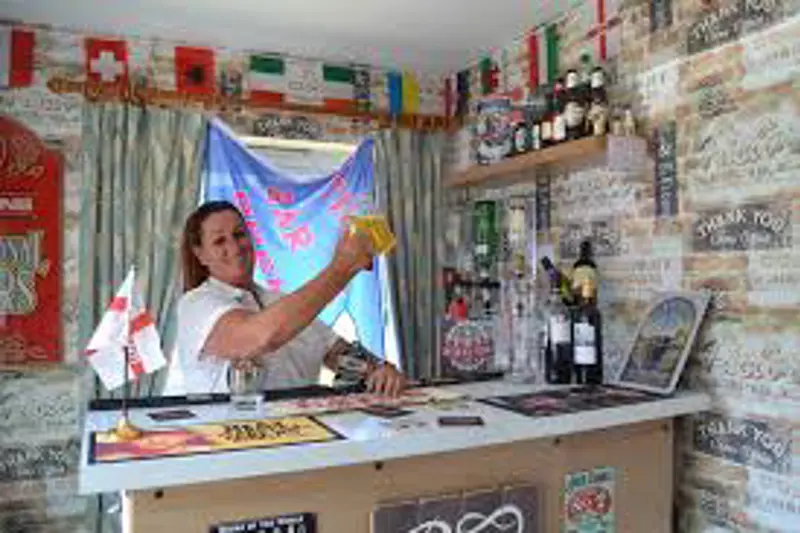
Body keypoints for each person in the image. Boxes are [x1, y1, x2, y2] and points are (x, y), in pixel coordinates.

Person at [162, 200, 407, 397]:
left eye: (239, 234)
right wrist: (341, 269)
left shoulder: (279, 301)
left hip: (302, 434)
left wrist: (375, 370)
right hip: (231, 440)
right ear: (200, 255)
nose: (235, 247)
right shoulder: (196, 304)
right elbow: (260, 338)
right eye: (219, 241)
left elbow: (334, 351)